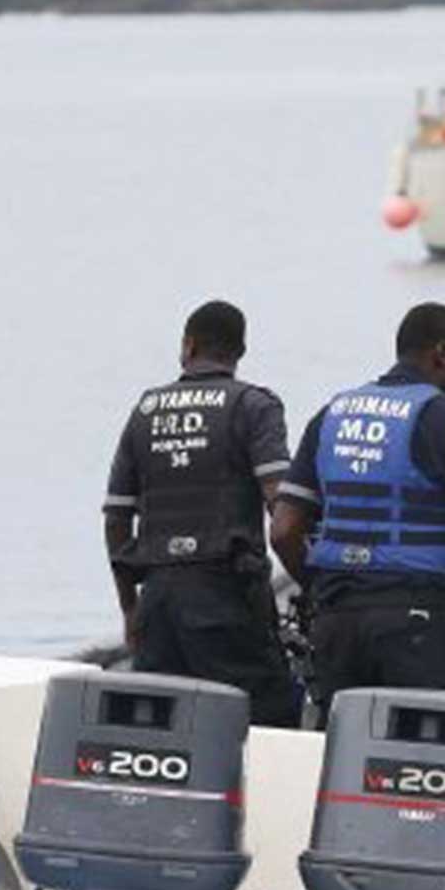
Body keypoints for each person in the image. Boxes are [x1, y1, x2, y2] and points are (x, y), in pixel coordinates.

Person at [270, 302, 445, 718]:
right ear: (440, 353)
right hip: (417, 621)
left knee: (346, 748)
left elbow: (283, 532)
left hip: (336, 620)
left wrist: (320, 590)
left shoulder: (331, 414)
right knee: (426, 751)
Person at [103, 299, 298, 728]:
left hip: (158, 602)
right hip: (225, 598)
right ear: (240, 351)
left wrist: (130, 609)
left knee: (161, 727)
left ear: (188, 346)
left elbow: (117, 518)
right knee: (269, 717)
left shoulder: (147, 411)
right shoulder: (253, 406)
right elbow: (280, 506)